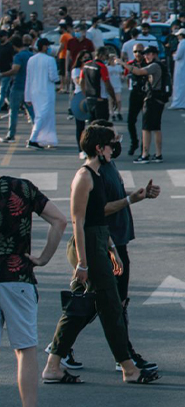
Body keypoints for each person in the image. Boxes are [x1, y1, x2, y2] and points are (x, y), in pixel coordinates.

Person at [43, 124, 161, 385]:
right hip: (86, 248)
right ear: (99, 148)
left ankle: (53, 364)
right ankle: (129, 369)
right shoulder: (84, 177)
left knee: (84, 309)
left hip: (98, 244)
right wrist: (83, 264)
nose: (113, 148)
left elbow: (98, 220)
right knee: (110, 307)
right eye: (110, 144)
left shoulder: (96, 174)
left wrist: (111, 249)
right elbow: (78, 223)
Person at [0, 175, 67, 407]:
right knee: (25, 349)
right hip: (18, 277)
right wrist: (42, 258)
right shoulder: (21, 187)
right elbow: (59, 221)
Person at [120, 46, 167, 164]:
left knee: (146, 129)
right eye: (145, 54)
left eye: (149, 54)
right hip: (159, 99)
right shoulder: (160, 65)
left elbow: (139, 72)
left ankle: (145, 154)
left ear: (155, 54)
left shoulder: (154, 66)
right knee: (156, 128)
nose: (145, 56)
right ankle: (158, 154)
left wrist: (122, 63)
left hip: (152, 100)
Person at [24, 39, 59, 149]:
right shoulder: (50, 60)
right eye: (48, 46)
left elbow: (28, 78)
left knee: (43, 115)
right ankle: (33, 139)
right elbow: (53, 77)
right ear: (44, 47)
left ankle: (47, 139)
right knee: (43, 116)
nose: (49, 48)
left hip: (34, 91)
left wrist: (27, 96)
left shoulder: (31, 59)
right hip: (46, 91)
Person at [2, 36, 34, 142]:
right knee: (31, 112)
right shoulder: (30, 55)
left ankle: (11, 135)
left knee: (13, 111)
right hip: (29, 87)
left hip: (18, 86)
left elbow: (15, 70)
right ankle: (35, 133)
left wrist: (2, 74)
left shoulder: (18, 56)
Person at [123, 45, 148, 156]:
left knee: (145, 122)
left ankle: (144, 147)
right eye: (135, 51)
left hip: (146, 94)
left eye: (140, 51)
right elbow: (125, 76)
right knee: (130, 121)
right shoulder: (130, 64)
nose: (138, 54)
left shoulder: (148, 63)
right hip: (134, 94)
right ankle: (134, 142)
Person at [168, 28, 185, 110]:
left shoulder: (182, 44)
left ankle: (178, 103)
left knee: (179, 86)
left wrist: (174, 55)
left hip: (181, 68)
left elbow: (178, 56)